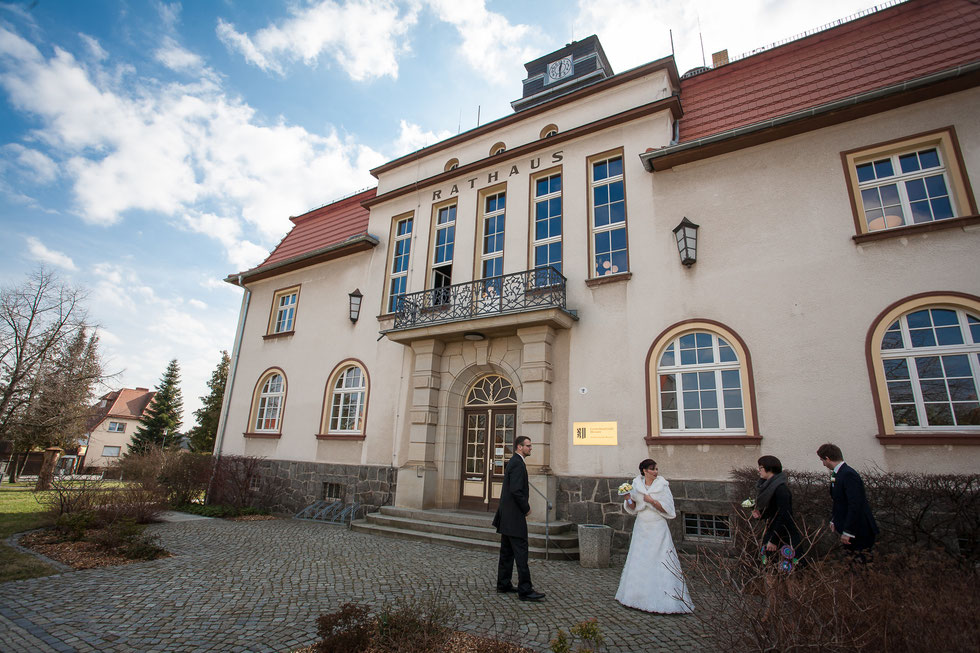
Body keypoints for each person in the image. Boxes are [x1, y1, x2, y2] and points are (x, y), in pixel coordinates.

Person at [615, 459, 693, 613]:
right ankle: (635, 597)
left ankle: (666, 599)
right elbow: (633, 507)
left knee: (660, 559)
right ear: (644, 471)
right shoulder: (636, 485)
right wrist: (628, 498)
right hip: (642, 526)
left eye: (656, 469)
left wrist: (652, 501)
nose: (656, 472)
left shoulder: (662, 486)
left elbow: (669, 510)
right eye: (652, 469)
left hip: (657, 526)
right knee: (639, 559)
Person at [492, 435, 545, 601]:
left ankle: (503, 583)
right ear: (519, 447)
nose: (531, 448)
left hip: (507, 517)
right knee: (521, 554)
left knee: (507, 553)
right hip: (514, 517)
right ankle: (525, 589)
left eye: (530, 445)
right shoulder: (517, 463)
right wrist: (526, 508)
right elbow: (516, 490)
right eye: (528, 446)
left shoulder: (515, 462)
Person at [817, 443, 878, 557]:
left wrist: (849, 531)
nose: (823, 464)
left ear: (827, 458)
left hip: (859, 530)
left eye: (822, 460)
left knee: (860, 563)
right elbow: (839, 501)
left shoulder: (848, 474)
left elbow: (855, 504)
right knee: (852, 562)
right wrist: (835, 519)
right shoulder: (839, 473)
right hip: (850, 528)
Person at [751, 455, 802, 566]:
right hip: (772, 531)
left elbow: (784, 515)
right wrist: (761, 515)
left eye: (760, 467)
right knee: (769, 566)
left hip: (782, 536)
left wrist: (774, 539)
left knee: (780, 568)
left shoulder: (780, 489)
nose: (759, 470)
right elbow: (773, 510)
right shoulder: (769, 486)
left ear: (769, 469)